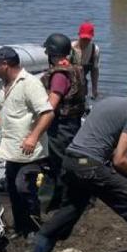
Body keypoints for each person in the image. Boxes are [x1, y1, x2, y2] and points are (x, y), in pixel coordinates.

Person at [29, 77, 127, 252]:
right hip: (90, 167)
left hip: (71, 161)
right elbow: (120, 160)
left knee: (69, 210)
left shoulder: (109, 102)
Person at [0, 47, 54, 239]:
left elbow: (47, 113)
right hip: (11, 150)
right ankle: (21, 227)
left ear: (5, 64)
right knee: (13, 188)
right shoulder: (1, 85)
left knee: (25, 188)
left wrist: (33, 137)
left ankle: (34, 229)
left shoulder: (30, 84)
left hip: (30, 151)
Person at [41, 33, 87, 211]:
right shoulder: (75, 68)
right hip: (74, 123)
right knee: (71, 160)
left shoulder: (59, 75)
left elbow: (52, 104)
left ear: (52, 53)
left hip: (61, 126)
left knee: (60, 164)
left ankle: (64, 203)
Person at [70, 21, 100, 100]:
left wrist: (94, 89)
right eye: (83, 38)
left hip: (83, 84)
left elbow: (94, 70)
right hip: (68, 83)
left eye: (88, 39)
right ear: (79, 35)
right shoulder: (70, 47)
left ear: (92, 37)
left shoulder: (94, 49)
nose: (85, 41)